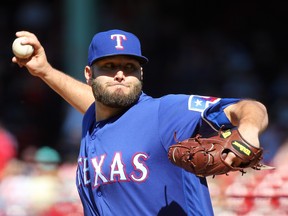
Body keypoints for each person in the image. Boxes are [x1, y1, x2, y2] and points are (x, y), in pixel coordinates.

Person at [12, 29, 269, 216]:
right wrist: (44, 71)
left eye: (130, 67)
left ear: (141, 73)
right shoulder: (94, 117)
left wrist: (247, 129)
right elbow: (96, 100)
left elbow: (249, 107)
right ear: (89, 75)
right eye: (109, 66)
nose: (121, 75)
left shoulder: (165, 113)